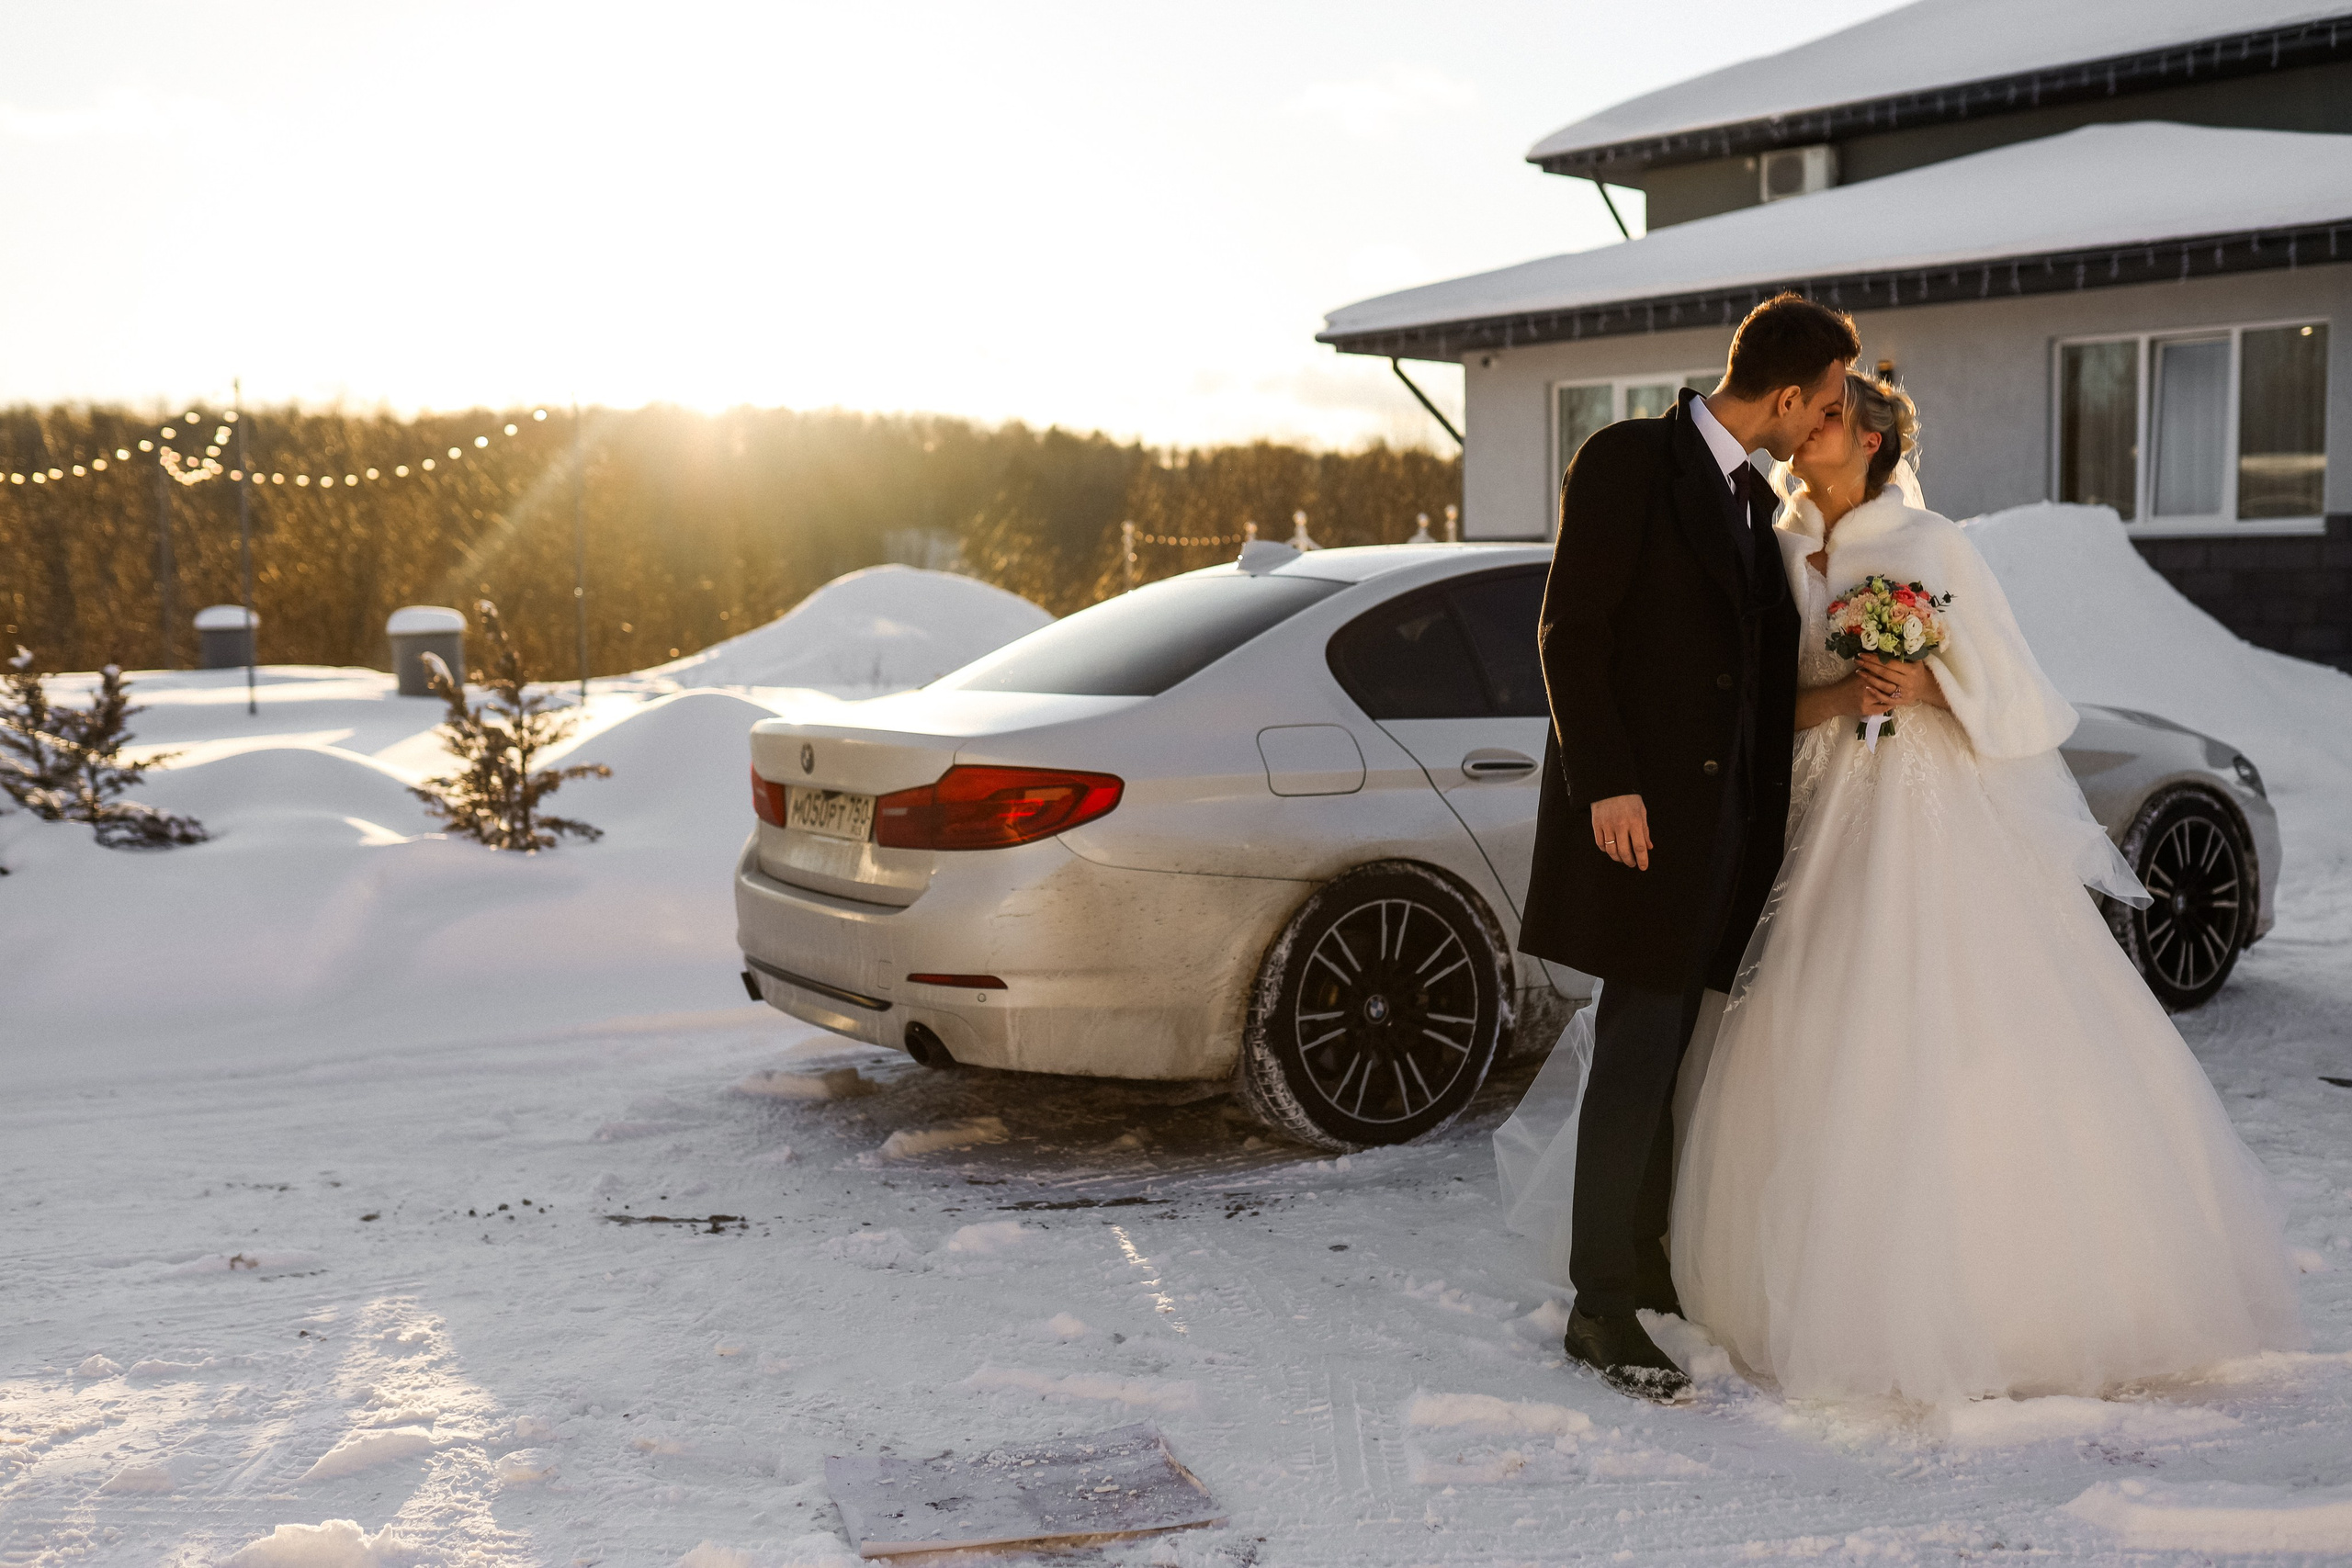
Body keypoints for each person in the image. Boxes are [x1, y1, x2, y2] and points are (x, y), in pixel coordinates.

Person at [1663, 372, 2307, 1404]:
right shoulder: (1777, 552)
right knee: (1807, 1019)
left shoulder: (1932, 550)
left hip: (1931, 814)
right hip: (1815, 817)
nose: (1806, 426)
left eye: (1828, 415)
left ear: (1872, 442)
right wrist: (1837, 694)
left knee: (1956, 1024)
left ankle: (2001, 1302)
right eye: (1808, 411)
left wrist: (1928, 683)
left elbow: (2022, 705)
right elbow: (1757, 707)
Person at [1517, 292, 1858, 1401]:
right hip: (1640, 827)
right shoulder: (1626, 459)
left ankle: (1647, 1266)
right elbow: (1572, 631)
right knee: (1632, 1058)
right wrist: (1603, 780)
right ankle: (1598, 1305)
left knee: (1668, 1065)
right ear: (1791, 394)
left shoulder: (1751, 502)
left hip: (1721, 836)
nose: (1828, 425)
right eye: (1829, 405)